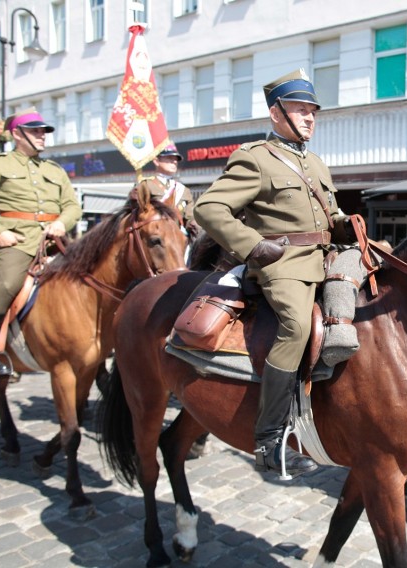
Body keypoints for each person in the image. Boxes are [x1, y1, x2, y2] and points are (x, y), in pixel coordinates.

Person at [194, 69, 350, 479]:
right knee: (297, 327)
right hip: (283, 264)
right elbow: (209, 209)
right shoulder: (255, 158)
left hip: (326, 259)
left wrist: (343, 222)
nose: (310, 118)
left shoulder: (314, 162)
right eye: (300, 110)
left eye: (313, 111)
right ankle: (268, 440)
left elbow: (326, 214)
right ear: (275, 113)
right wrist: (252, 245)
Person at [0, 107, 82, 380]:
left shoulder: (54, 169)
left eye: (44, 131)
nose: (42, 136)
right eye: (35, 131)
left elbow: (72, 206)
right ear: (17, 134)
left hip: (56, 241)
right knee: (8, 285)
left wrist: (62, 223)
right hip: (16, 240)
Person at [148, 143, 199, 236]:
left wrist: (195, 226)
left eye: (176, 159)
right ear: (156, 161)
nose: (174, 162)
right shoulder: (146, 185)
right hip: (153, 239)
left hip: (178, 239)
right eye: (169, 158)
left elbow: (189, 218)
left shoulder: (184, 190)